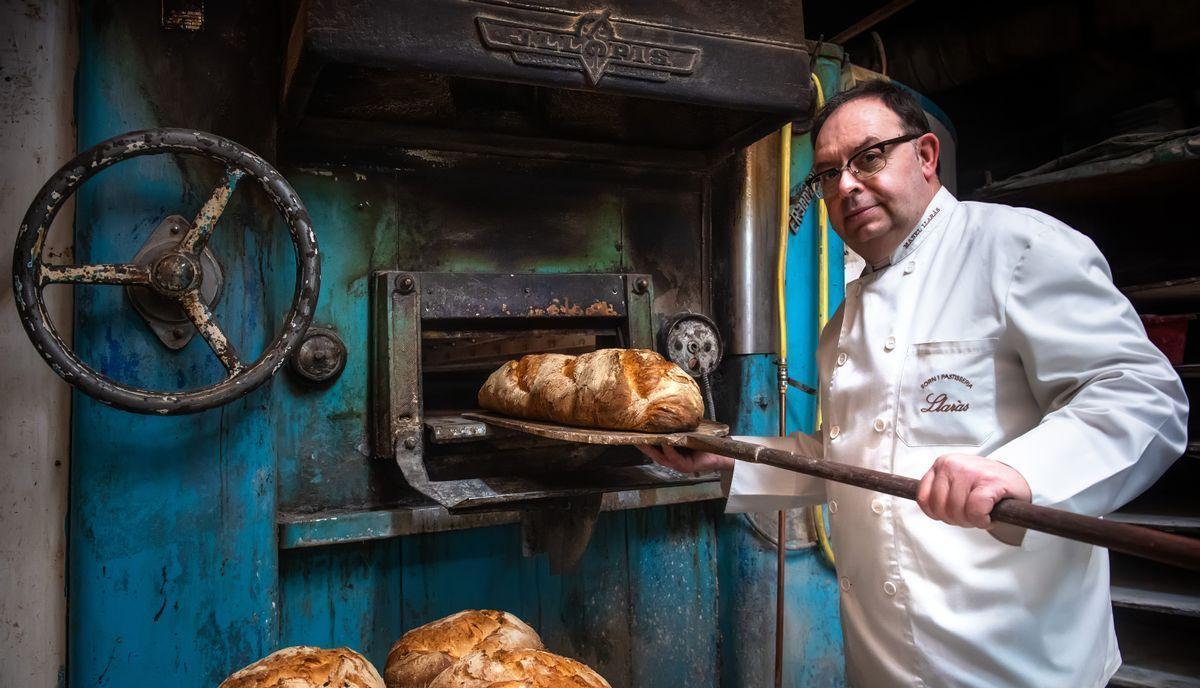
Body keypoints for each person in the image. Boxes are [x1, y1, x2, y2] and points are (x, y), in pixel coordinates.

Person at [641, 80, 1188, 687]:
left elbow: (1143, 395)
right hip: (882, 665)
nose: (845, 184)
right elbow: (844, 460)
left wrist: (1025, 473)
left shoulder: (1017, 247)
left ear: (926, 156)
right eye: (826, 174)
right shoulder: (840, 326)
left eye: (869, 157)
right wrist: (726, 460)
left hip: (1019, 662)